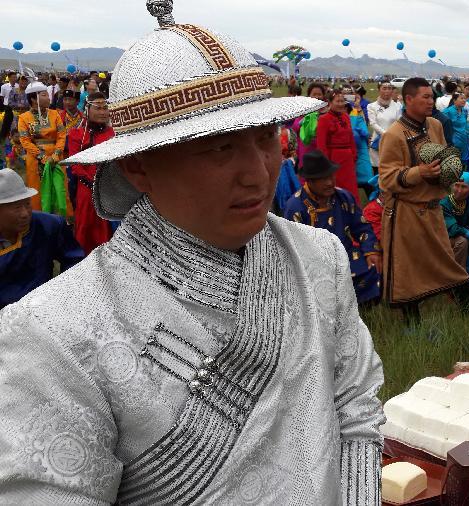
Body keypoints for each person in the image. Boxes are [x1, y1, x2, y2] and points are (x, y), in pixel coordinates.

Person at [0, 4, 385, 502]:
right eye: (219, 147)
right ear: (139, 167)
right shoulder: (50, 334)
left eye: (266, 136)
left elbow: (354, 407)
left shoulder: (319, 257)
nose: (258, 171)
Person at [377, 77, 469, 323]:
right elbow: (386, 178)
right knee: (406, 270)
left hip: (433, 209)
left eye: (432, 96)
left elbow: (444, 158)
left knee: (445, 259)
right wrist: (418, 172)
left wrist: (448, 171)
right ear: (408, 100)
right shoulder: (394, 135)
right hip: (406, 213)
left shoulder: (434, 126)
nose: (431, 101)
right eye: (425, 97)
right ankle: (412, 324)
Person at [284, 150, 382, 305]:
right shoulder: (295, 207)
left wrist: (371, 251)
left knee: (374, 267)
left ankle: (365, 307)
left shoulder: (343, 197)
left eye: (331, 176)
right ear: (309, 181)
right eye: (323, 179)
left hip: (347, 254)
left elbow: (362, 227)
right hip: (316, 264)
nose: (330, 182)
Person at [0, 168, 83, 308]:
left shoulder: (49, 225)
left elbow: (74, 262)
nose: (25, 213)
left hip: (44, 306)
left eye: (27, 204)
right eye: (16, 207)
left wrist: (65, 295)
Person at [67, 92, 115, 254]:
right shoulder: (77, 135)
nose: (103, 112)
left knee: (109, 224)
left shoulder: (113, 134)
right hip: (86, 190)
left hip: (110, 188)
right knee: (85, 226)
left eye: (105, 108)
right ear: (87, 110)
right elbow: (75, 165)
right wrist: (93, 182)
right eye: (98, 108)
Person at [17, 81, 68, 213]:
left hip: (56, 157)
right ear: (34, 99)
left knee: (60, 189)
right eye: (44, 95)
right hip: (35, 160)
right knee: (38, 191)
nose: (48, 98)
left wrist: (56, 154)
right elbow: (25, 141)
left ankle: (62, 221)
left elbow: (62, 135)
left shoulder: (55, 114)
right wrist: (42, 156)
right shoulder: (23, 118)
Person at [317, 89, 360, 202]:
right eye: (338, 101)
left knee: (350, 186)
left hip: (348, 159)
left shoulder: (346, 117)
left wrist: (353, 155)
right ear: (330, 103)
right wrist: (326, 164)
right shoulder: (323, 119)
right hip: (333, 159)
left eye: (342, 101)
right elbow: (321, 145)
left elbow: (351, 138)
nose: (341, 104)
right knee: (336, 186)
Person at [367, 81, 401, 170]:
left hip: (394, 141)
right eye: (384, 88)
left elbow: (399, 122)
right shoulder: (371, 106)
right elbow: (373, 123)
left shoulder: (397, 106)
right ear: (379, 90)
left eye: (389, 88)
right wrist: (385, 134)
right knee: (377, 169)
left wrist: (391, 135)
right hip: (378, 142)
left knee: (392, 168)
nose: (387, 91)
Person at [297, 82, 326, 170]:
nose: (317, 97)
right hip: (306, 149)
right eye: (314, 94)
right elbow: (295, 127)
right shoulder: (302, 111)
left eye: (319, 94)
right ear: (309, 95)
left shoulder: (328, 112)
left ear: (323, 96)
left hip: (322, 150)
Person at [443, 93, 469, 170]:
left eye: (464, 98)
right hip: (453, 142)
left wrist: (467, 129)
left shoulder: (464, 110)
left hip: (464, 140)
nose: (464, 100)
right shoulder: (448, 111)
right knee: (454, 164)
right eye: (461, 98)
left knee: (463, 164)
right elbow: (442, 125)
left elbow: (467, 122)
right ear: (454, 100)